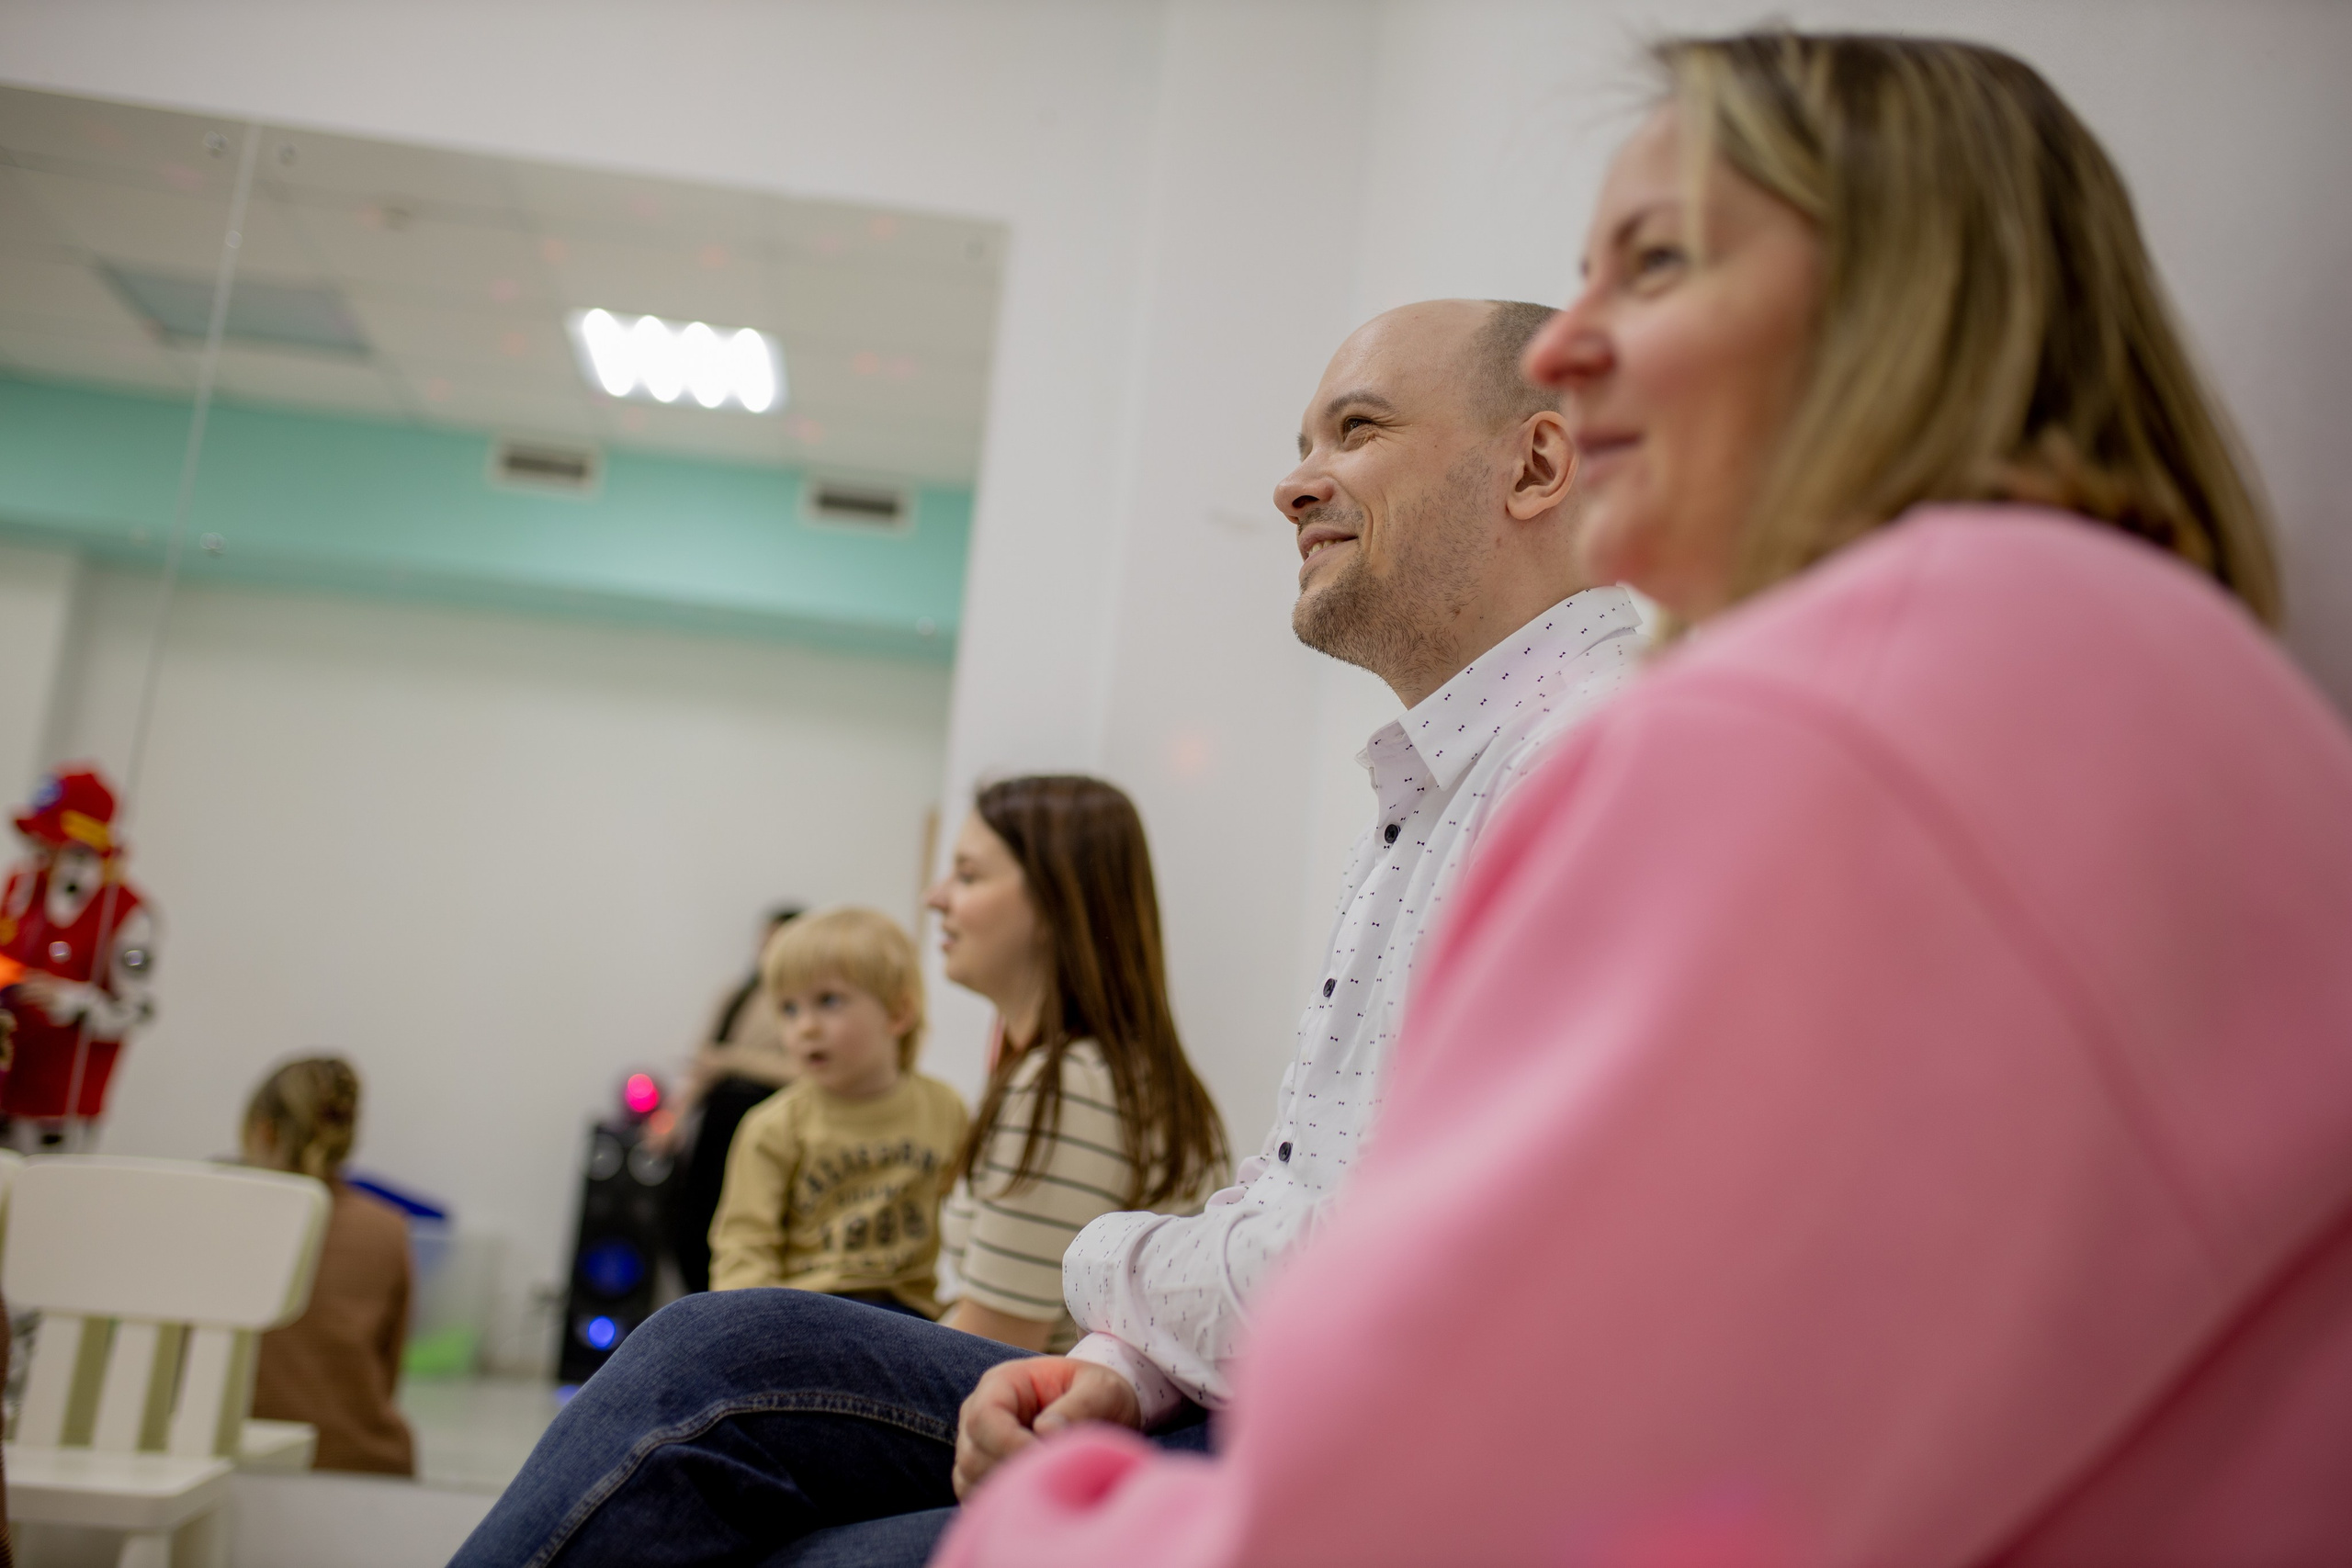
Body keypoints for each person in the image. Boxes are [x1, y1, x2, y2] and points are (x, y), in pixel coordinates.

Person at [935, 31, 2352, 1567]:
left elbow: (1427, 1490)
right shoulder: (2165, 670)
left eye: (1655, 266)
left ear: (1891, 303)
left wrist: (1037, 1519)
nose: (1563, 348)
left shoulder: (1812, 720)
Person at [450, 295, 1642, 1566]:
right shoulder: (1439, 786)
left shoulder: (1599, 763)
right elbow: (1305, 1186)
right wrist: (1123, 1364)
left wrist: (1107, 1271)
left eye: (1355, 430)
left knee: (741, 1430)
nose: (1296, 486)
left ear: (1536, 462)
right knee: (718, 1353)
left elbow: (1416, 1260)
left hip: (1384, 1462)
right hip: (1260, 1405)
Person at [930, 775, 1228, 1354]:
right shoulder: (1100, 1072)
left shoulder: (1069, 1089)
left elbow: (983, 1356)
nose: (936, 897)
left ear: (1053, 902)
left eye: (967, 876)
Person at [707, 907, 968, 1317]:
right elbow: (744, 1247)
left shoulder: (944, 1108)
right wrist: (753, 1330)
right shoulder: (773, 1126)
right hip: (803, 1315)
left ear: (898, 1013)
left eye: (828, 1001)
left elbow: (976, 1222)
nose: (804, 1027)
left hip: (909, 1317)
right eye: (789, 1009)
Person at [243, 1055, 417, 1476]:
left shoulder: (218, 1216)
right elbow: (387, 1371)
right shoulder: (388, 1229)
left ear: (263, 1132)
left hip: (247, 1467)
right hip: (367, 1467)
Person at [662, 904, 803, 1293]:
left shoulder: (802, 1005)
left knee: (747, 1233)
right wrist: (673, 1117)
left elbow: (802, 1071)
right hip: (717, 1124)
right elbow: (705, 1063)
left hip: (766, 1119)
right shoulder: (737, 996)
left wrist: (733, 1060)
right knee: (690, 1230)